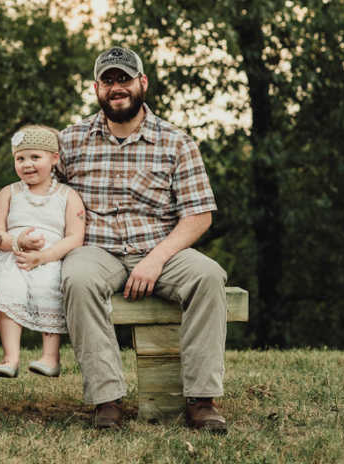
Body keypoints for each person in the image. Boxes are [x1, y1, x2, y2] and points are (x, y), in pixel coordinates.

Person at [58, 46, 228, 432]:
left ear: (142, 83)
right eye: (108, 81)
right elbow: (44, 195)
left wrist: (156, 258)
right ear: (97, 88)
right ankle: (107, 400)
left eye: (124, 79)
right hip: (95, 248)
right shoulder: (70, 140)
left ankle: (202, 400)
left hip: (160, 247)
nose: (117, 88)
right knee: (77, 279)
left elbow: (199, 215)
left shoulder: (176, 142)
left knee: (209, 276)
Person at [0, 125, 85, 378]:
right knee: (9, 286)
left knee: (50, 285)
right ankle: (11, 357)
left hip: (51, 256)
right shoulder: (8, 193)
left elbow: (75, 236)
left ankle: (51, 358)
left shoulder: (67, 195)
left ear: (54, 158)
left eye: (35, 157)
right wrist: (16, 242)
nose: (27, 164)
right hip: (14, 256)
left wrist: (45, 256)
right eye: (20, 158)